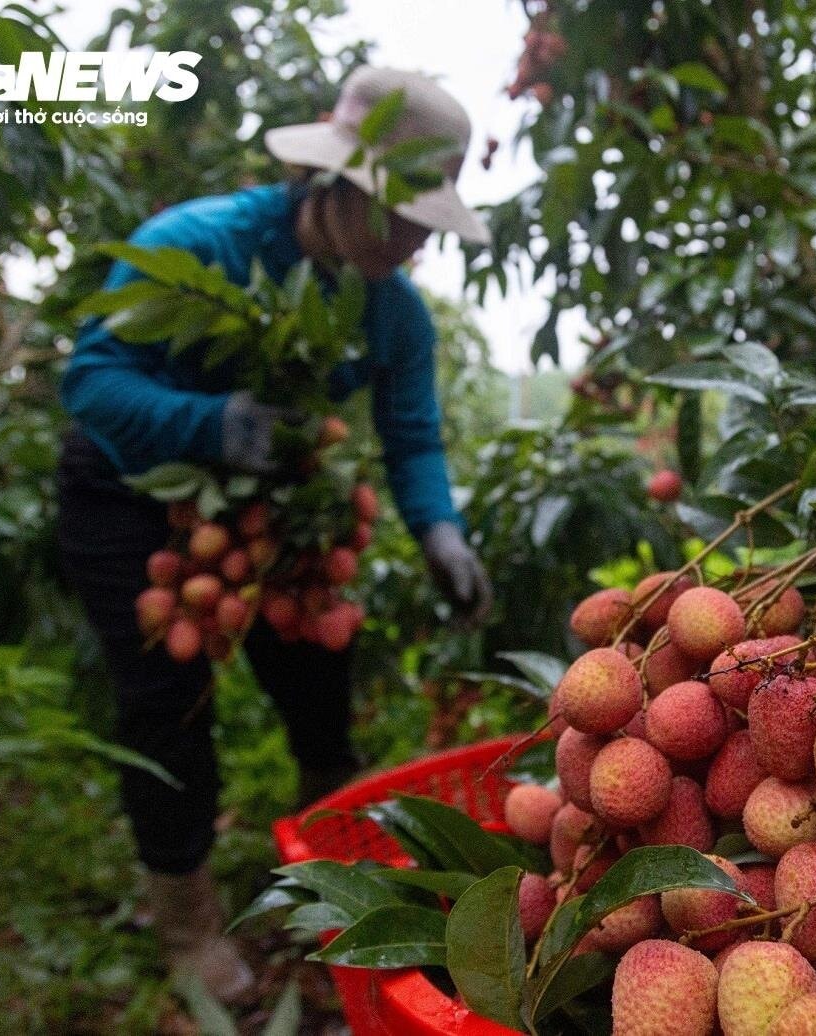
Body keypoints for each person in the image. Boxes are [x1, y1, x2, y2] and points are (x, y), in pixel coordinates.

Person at [55, 68, 493, 1003]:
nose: (419, 237)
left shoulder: (392, 313)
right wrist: (208, 426)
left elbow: (412, 434)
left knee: (317, 686)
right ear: (337, 185)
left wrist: (441, 534)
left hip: (269, 506)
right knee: (166, 703)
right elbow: (90, 382)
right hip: (129, 494)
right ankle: (185, 921)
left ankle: (331, 877)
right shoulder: (196, 246)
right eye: (405, 212)